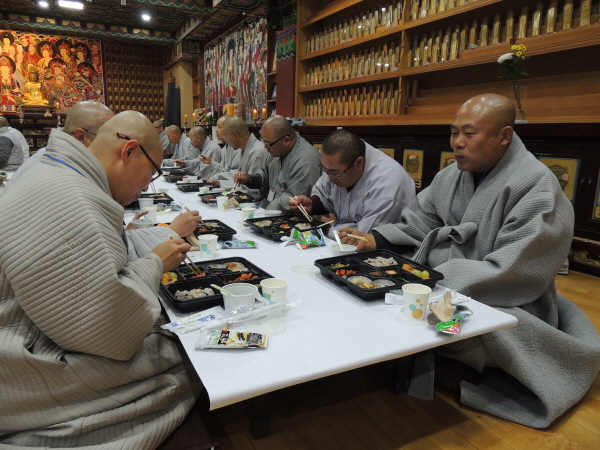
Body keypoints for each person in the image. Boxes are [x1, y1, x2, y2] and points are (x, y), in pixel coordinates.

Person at [340, 94, 600, 428]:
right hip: (440, 277)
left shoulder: (537, 188)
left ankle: (459, 365)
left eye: (469, 133)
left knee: (464, 327)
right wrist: (374, 239)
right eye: (453, 133)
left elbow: (517, 269)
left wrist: (432, 279)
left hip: (504, 295)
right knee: (378, 282)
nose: (457, 143)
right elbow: (419, 221)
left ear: (504, 135)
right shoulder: (452, 176)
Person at [0, 110, 211, 448]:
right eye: (150, 175)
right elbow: (109, 329)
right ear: (129, 151)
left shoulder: (54, 168)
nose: (146, 187)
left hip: (32, 328)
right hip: (18, 365)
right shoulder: (74, 197)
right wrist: (156, 262)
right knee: (184, 352)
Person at [289, 129, 415, 238]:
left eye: (334, 173)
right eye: (325, 170)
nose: (330, 177)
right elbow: (324, 193)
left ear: (359, 163)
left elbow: (366, 237)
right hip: (341, 241)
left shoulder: (387, 182)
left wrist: (331, 228)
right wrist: (312, 204)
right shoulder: (337, 165)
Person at [234, 115, 321, 210]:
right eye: (263, 141)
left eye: (268, 143)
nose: (265, 147)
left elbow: (293, 199)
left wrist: (265, 213)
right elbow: (265, 176)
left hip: (289, 214)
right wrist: (250, 179)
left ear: (286, 140)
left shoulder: (306, 160)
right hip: (270, 206)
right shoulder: (276, 149)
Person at [211, 116, 268, 200]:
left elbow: (254, 190)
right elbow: (240, 181)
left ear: (235, 135)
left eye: (225, 137)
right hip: (245, 195)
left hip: (256, 202)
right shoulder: (244, 149)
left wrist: (230, 196)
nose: (226, 140)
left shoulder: (258, 151)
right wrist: (222, 183)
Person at [203, 115, 241, 186]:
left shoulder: (237, 148)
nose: (216, 130)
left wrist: (216, 177)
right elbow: (223, 169)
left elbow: (236, 173)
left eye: (219, 127)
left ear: (229, 128)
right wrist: (211, 162)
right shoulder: (224, 149)